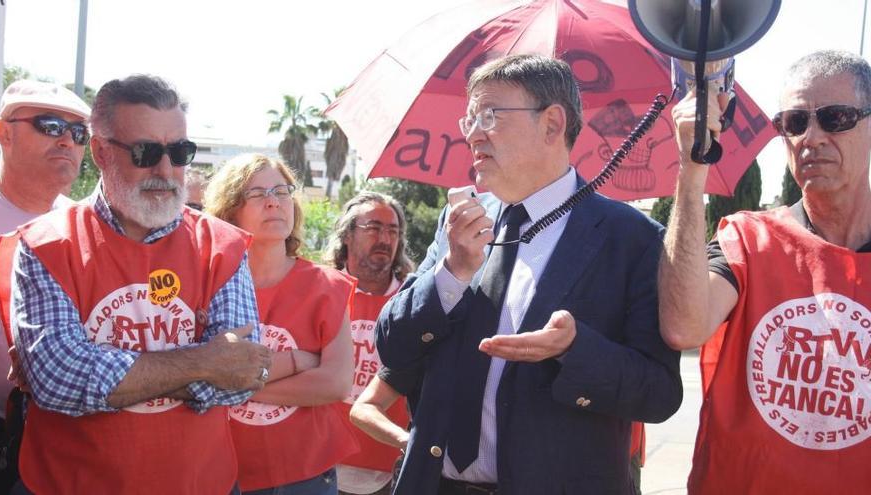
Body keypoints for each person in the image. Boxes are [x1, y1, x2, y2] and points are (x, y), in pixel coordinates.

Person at [375, 54, 682, 495]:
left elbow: (659, 393)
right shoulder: (459, 222)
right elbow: (393, 345)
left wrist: (575, 349)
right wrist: (451, 272)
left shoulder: (631, 239)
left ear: (553, 125)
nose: (473, 134)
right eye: (469, 120)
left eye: (490, 116)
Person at [3, 75, 272, 495]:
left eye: (180, 152)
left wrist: (110, 374)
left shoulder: (222, 247)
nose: (165, 170)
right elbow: (57, 380)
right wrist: (206, 360)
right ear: (100, 151)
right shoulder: (47, 245)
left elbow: (241, 376)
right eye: (146, 152)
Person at [659, 50, 871, 494]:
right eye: (794, 123)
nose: (811, 137)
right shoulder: (746, 239)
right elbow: (684, 326)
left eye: (835, 118)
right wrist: (691, 171)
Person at [204, 153, 357, 495]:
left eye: (282, 191)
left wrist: (236, 388)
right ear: (230, 210)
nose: (274, 202)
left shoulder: (327, 285)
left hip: (305, 475)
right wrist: (295, 364)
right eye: (257, 194)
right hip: (221, 472)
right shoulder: (208, 285)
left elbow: (334, 383)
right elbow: (197, 372)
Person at [0, 80, 90, 492]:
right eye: (50, 125)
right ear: (4, 133)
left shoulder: (86, 223)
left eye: (79, 132)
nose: (68, 140)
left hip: (74, 438)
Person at [324, 191, 414, 495]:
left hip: (389, 470)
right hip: (320, 463)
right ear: (347, 235)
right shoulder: (321, 291)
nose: (385, 239)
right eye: (374, 227)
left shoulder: (413, 301)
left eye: (393, 230)